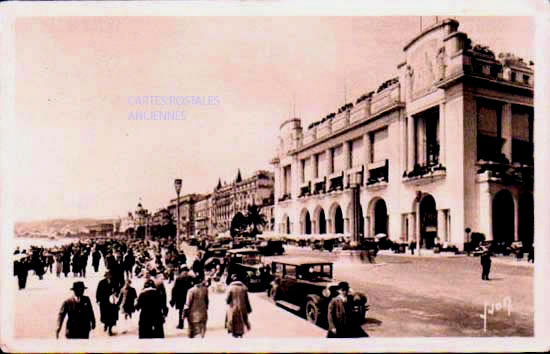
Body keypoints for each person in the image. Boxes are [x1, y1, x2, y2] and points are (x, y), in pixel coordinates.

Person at [96, 271, 118, 335]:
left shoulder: (114, 282)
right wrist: (98, 300)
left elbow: (117, 289)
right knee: (105, 315)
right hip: (104, 301)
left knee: (112, 316)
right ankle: (106, 325)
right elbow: (98, 291)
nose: (108, 276)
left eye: (110, 275)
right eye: (107, 275)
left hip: (112, 302)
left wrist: (116, 293)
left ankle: (110, 329)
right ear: (105, 276)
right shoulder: (101, 282)